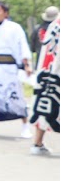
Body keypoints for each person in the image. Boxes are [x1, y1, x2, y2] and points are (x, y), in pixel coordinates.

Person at [0, 1, 33, 138]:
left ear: (6, 13)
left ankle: (25, 126)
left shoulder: (15, 28)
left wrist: (26, 64)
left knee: (16, 95)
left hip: (10, 67)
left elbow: (23, 46)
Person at [30, 14, 59, 155]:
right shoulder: (55, 25)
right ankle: (37, 143)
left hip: (49, 72)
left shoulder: (54, 24)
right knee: (48, 106)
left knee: (46, 104)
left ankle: (37, 143)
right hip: (54, 72)